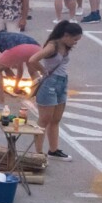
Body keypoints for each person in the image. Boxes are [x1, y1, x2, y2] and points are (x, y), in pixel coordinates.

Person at [26, 20, 83, 160]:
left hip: (62, 82)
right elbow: (32, 60)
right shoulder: (53, 46)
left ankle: (53, 149)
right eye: (74, 40)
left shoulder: (65, 46)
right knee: (44, 119)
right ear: (66, 35)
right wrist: (43, 71)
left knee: (56, 119)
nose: (75, 43)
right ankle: (38, 152)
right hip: (50, 83)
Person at [0, 30, 40, 108]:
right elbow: (20, 70)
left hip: (18, 48)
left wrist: (0, 65)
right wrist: (16, 87)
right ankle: (41, 101)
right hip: (36, 47)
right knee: (33, 72)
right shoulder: (13, 38)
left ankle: (0, 102)